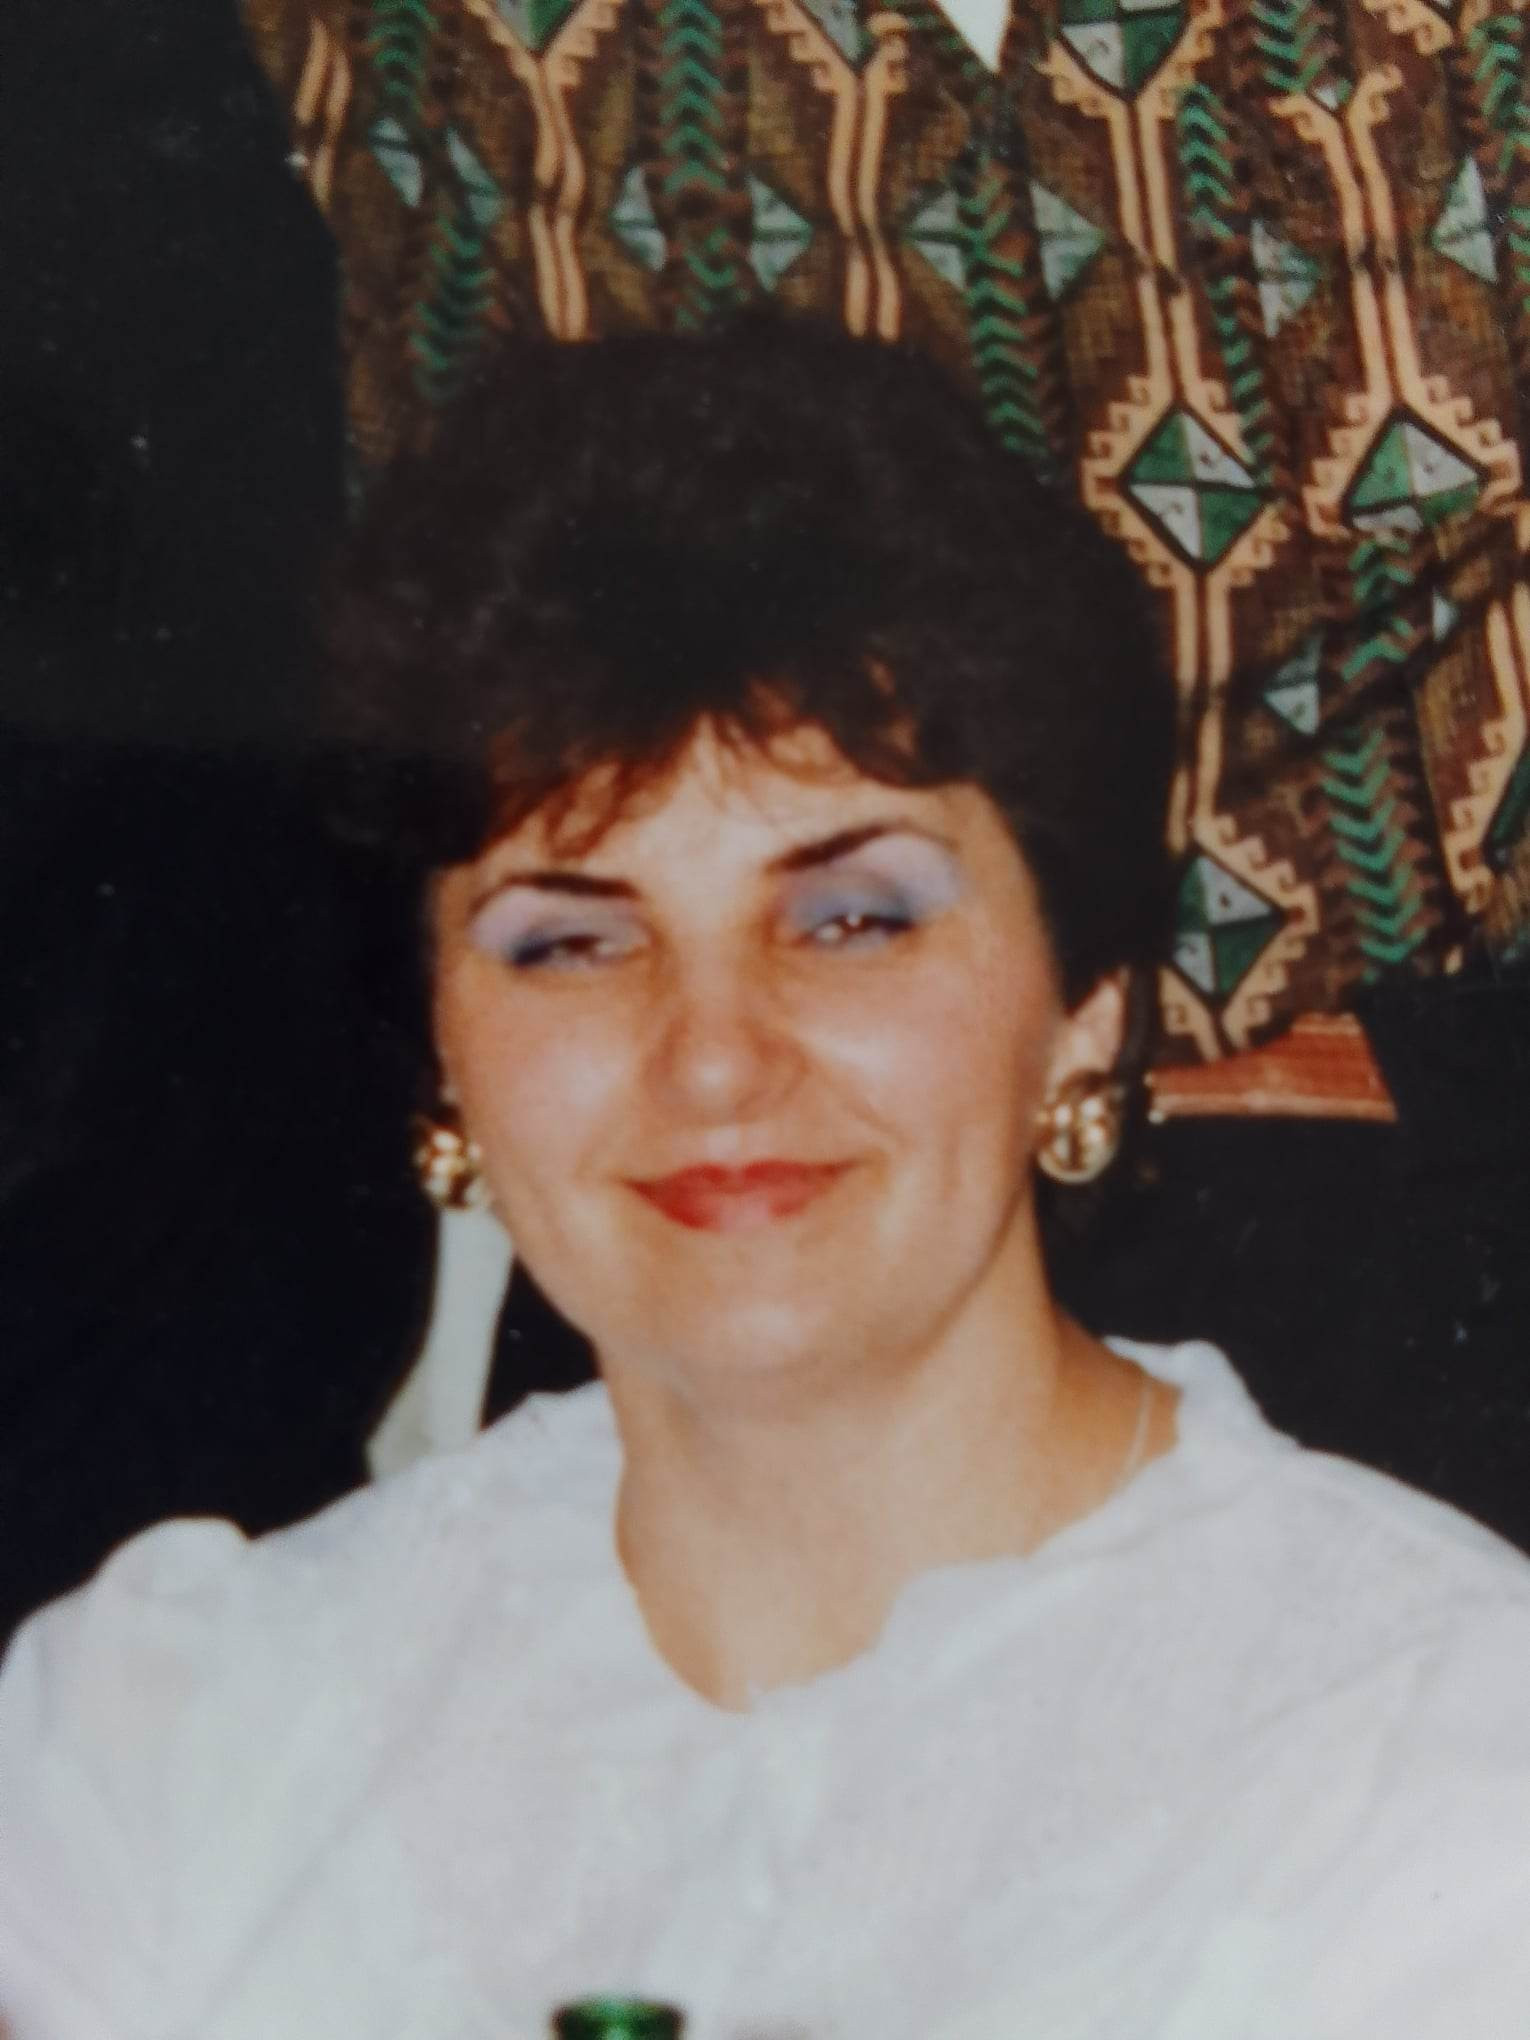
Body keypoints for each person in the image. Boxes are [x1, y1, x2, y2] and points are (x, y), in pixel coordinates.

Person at [3, 321, 1530, 2040]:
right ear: (442, 1063)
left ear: (1085, 1005)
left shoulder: (1431, 1765)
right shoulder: (169, 1742)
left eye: (851, 919)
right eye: (571, 942)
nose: (713, 1058)